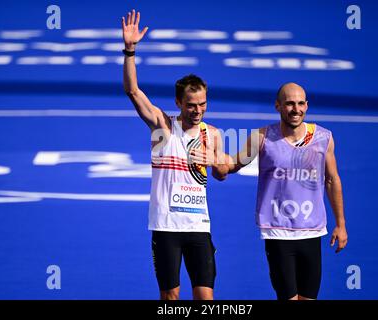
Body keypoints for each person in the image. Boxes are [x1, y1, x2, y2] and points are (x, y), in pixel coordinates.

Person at [121, 9, 229, 300]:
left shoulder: (213, 134)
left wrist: (214, 161)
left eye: (203, 104)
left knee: (205, 298)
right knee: (171, 298)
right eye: (192, 105)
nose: (198, 110)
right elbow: (133, 91)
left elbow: (222, 174)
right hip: (166, 227)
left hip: (199, 227)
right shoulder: (162, 127)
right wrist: (130, 51)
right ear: (179, 102)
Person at [219, 82, 348, 300]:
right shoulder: (262, 138)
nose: (295, 109)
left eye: (300, 104)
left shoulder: (324, 138)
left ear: (306, 106)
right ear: (277, 106)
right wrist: (215, 162)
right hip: (277, 231)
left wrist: (341, 224)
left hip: (312, 229)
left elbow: (332, 179)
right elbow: (233, 165)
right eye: (289, 104)